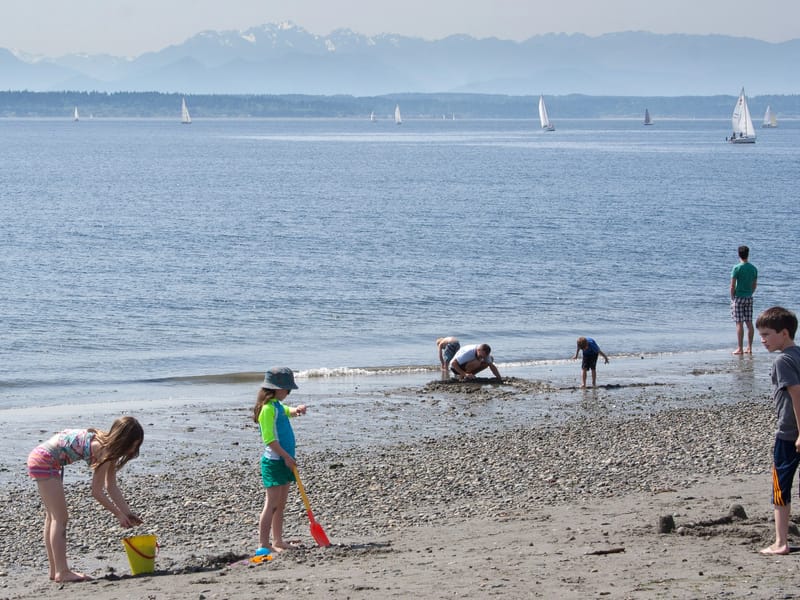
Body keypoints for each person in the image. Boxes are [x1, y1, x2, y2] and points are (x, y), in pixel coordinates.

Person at [26, 416, 144, 583]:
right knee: (60, 518)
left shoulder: (108, 446)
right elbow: (96, 491)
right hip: (45, 460)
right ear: (125, 440)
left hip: (41, 457)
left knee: (52, 518)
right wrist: (118, 514)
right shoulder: (104, 450)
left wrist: (127, 513)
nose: (135, 449)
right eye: (135, 444)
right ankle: (62, 571)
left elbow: (111, 486)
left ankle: (55, 571)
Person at [755, 307, 800, 555]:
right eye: (760, 334)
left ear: (784, 333)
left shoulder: (783, 360)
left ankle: (781, 542)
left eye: (766, 334)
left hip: (789, 434)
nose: (762, 339)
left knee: (780, 487)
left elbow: (796, 396)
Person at [253, 367, 307, 555]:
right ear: (276, 389)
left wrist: (297, 410)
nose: (288, 393)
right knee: (271, 504)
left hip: (285, 460)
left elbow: (286, 411)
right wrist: (285, 456)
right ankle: (263, 544)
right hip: (275, 461)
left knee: (281, 504)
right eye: (287, 389)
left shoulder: (276, 406)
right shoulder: (267, 410)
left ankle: (278, 540)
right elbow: (269, 439)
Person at [730, 244, 758, 355]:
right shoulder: (753, 268)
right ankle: (749, 347)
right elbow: (755, 284)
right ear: (748, 254)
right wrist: (750, 293)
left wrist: (732, 296)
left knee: (739, 323)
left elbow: (732, 285)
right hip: (749, 297)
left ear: (739, 254)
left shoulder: (737, 268)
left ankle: (740, 348)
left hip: (739, 297)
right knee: (749, 322)